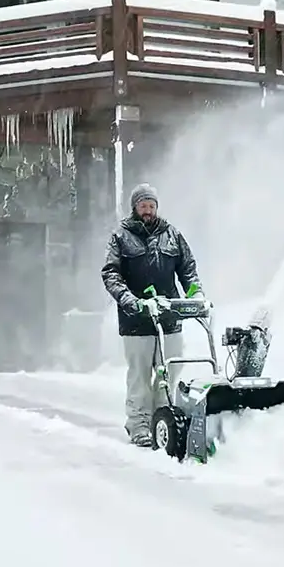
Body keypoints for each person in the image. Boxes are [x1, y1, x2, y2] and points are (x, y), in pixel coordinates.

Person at [101, 183, 205, 447]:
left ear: (156, 207)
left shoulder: (172, 235)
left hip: (169, 318)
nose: (147, 210)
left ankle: (163, 421)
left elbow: (188, 269)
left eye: (151, 206)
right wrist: (132, 301)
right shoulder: (121, 236)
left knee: (168, 374)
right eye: (142, 206)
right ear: (135, 208)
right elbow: (111, 274)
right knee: (140, 376)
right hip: (137, 321)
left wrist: (195, 295)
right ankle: (138, 425)